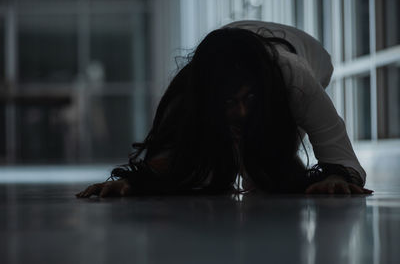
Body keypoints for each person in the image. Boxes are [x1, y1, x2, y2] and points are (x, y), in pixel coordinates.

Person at [76, 20, 373, 198]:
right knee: (211, 165)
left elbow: (340, 155)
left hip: (312, 55)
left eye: (248, 99)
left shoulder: (296, 81)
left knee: (268, 170)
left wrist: (336, 178)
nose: (241, 113)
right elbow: (167, 157)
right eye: (229, 103)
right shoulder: (189, 89)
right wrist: (130, 182)